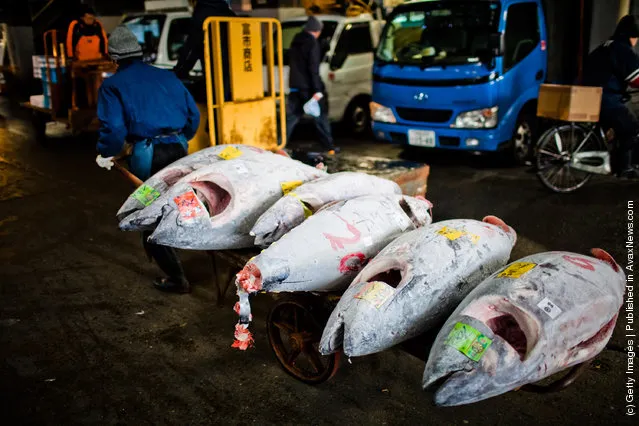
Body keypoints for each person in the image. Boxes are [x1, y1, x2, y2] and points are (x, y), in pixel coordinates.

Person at [95, 26, 200, 294]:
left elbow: (114, 129)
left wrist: (106, 152)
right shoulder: (167, 76)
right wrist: (179, 138)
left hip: (147, 152)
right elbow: (193, 116)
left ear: (114, 58)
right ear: (140, 52)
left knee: (150, 213)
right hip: (178, 148)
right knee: (183, 202)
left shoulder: (112, 85)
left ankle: (177, 278)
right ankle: (202, 246)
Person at [582, 15, 639, 178]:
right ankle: (625, 168)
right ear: (632, 36)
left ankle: (615, 157)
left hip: (590, 97)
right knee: (631, 127)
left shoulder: (604, 46)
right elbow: (635, 79)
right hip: (606, 99)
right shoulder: (623, 49)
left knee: (619, 124)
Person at [286, 16, 338, 154]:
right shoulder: (312, 43)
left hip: (295, 85)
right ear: (317, 30)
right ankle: (329, 146)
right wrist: (317, 89)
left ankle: (280, 142)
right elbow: (313, 68)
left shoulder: (295, 41)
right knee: (321, 117)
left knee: (292, 117)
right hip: (309, 87)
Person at [173, 0, 236, 80]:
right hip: (233, 69)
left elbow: (192, 46)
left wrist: (180, 70)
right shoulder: (229, 13)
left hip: (213, 68)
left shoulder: (201, 13)